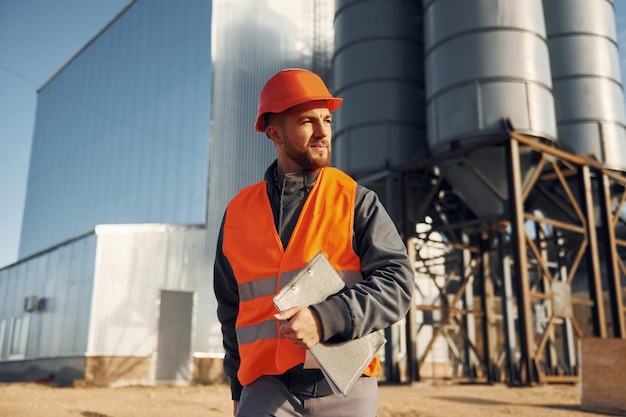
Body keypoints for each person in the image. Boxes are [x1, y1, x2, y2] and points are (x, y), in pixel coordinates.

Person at [213, 68, 414, 417]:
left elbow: (398, 284)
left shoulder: (356, 201)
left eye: (327, 120)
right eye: (308, 121)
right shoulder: (237, 213)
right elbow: (231, 312)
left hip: (346, 385)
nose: (323, 132)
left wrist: (324, 319)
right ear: (274, 133)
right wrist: (237, 387)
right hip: (266, 389)